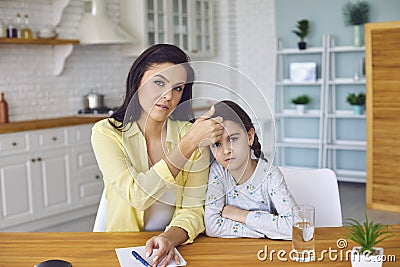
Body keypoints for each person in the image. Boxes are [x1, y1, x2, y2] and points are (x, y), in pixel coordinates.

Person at [91, 44, 223, 266]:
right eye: (159, 83)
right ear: (138, 81)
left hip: (172, 247)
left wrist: (167, 238)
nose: (168, 96)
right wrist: (188, 143)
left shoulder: (188, 133)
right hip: (118, 247)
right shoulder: (107, 132)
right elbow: (137, 195)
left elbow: (193, 210)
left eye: (178, 88)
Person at [204, 100, 297, 239]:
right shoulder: (218, 172)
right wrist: (269, 230)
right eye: (217, 144)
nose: (226, 150)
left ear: (249, 137)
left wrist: (240, 215)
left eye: (233, 139)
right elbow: (212, 227)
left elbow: (295, 227)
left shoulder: (270, 175)